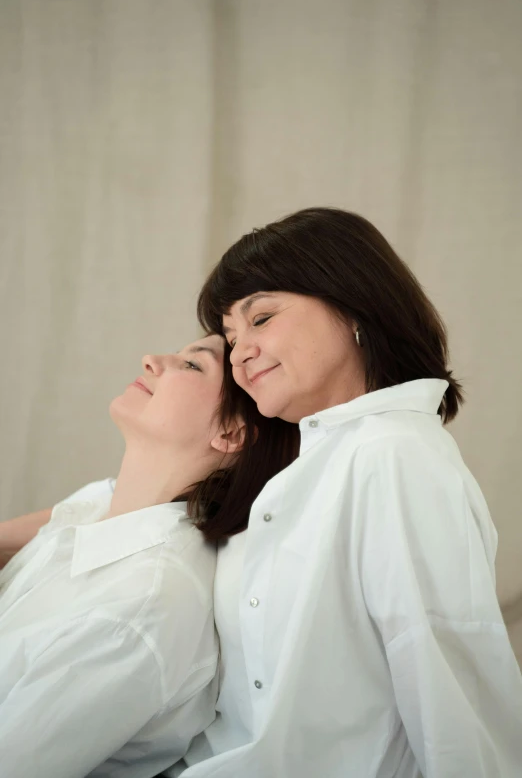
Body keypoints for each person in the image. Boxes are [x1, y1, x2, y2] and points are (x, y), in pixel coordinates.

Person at [173, 207, 522, 777]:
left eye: (260, 319)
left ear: (353, 305)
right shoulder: (307, 460)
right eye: (231, 336)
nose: (238, 352)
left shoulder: (392, 454)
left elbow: (448, 683)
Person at [0, 334, 299, 778]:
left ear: (230, 432)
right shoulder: (101, 507)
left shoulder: (136, 610)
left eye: (193, 365)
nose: (151, 361)